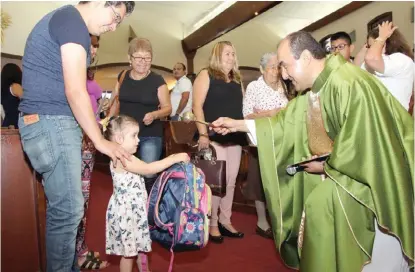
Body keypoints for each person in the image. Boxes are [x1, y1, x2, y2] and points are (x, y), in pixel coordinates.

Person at [211, 31, 413, 271]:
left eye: (285, 66)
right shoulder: (322, 85)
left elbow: (366, 145)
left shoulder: (346, 82)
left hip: (373, 192)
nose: (283, 75)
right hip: (346, 177)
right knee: (316, 205)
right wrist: (237, 124)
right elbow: (285, 123)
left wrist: (327, 166)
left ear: (306, 57)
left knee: (320, 208)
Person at [18, 2, 135, 271]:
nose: (113, 26)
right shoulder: (73, 23)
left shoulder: (66, 19)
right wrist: (100, 140)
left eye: (119, 22)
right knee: (68, 212)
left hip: (45, 123)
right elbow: (75, 90)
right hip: (52, 123)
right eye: (115, 16)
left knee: (66, 210)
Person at [102, 115, 190, 272]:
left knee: (139, 247)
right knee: (128, 254)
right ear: (119, 138)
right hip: (127, 213)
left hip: (134, 210)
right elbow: (149, 169)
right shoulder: (123, 158)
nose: (138, 140)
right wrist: (174, 157)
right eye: (134, 136)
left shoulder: (127, 157)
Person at [192, 41, 247, 243]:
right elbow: (197, 106)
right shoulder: (206, 74)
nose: (231, 57)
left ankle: (225, 220)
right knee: (217, 182)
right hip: (213, 136)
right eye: (227, 54)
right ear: (217, 55)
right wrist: (203, 134)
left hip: (234, 136)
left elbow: (241, 109)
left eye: (233, 54)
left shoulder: (237, 79)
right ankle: (212, 222)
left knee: (231, 180)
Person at [107, 37, 172, 194]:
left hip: (150, 134)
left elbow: (168, 108)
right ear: (130, 58)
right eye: (139, 57)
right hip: (124, 136)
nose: (143, 61)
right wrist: (109, 122)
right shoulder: (122, 76)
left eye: (147, 58)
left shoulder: (157, 80)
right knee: (124, 173)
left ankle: (148, 209)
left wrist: (155, 114)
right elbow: (115, 102)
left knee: (148, 173)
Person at [242, 52, 289, 239]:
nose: (275, 71)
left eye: (278, 66)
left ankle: (281, 219)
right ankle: (262, 222)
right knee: (260, 182)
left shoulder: (285, 85)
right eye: (271, 67)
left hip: (283, 140)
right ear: (261, 69)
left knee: (281, 181)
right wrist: (271, 113)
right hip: (260, 141)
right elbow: (247, 115)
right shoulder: (254, 87)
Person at [75, 34, 109, 270]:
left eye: (96, 46)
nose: (94, 50)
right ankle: (74, 253)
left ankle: (80, 249)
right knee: (71, 202)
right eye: (91, 45)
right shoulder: (67, 75)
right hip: (71, 140)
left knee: (83, 200)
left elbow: (95, 109)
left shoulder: (90, 81)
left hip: (88, 141)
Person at [354, 21, 414, 111]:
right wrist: (367, 46)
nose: (371, 49)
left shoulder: (401, 59)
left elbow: (371, 59)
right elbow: (356, 68)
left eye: (373, 45)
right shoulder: (374, 62)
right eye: (369, 46)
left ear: (386, 43)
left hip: (394, 118)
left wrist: (381, 38)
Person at [1, 63, 23, 128]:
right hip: (17, 124)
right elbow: (28, 102)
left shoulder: (3, 91)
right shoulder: (15, 86)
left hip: (7, 124)